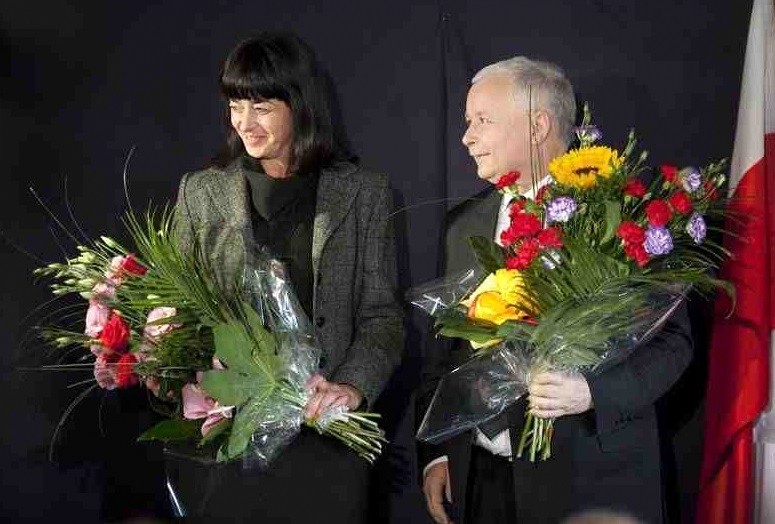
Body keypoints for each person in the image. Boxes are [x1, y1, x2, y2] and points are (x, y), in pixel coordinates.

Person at [418, 56, 692, 523]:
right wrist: (438, 451)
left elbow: (672, 343)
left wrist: (593, 392)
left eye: (482, 121)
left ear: (538, 125)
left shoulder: (625, 213)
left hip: (588, 482)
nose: (467, 137)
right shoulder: (463, 224)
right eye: (467, 122)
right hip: (480, 483)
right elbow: (444, 352)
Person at [165, 32, 404, 522]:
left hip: (326, 436)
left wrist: (351, 387)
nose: (244, 124)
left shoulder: (364, 193)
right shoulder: (200, 193)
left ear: (300, 104)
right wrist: (173, 368)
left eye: (262, 107)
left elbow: (383, 317)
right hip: (227, 440)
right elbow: (176, 314)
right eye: (235, 106)